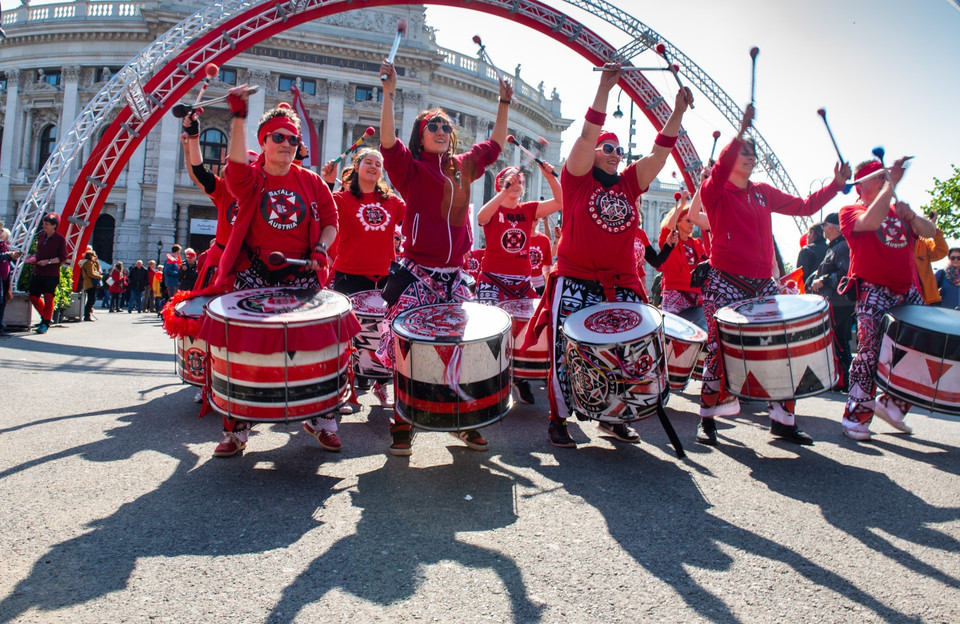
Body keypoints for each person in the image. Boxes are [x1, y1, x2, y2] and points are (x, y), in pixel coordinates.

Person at [530, 63, 692, 448]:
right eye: (609, 148)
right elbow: (586, 136)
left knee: (623, 356)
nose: (616, 154)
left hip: (620, 285)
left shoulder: (629, 184)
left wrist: (678, 112)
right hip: (574, 279)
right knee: (564, 352)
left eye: (620, 150)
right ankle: (558, 418)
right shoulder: (576, 179)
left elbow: (659, 153)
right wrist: (605, 89)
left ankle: (614, 416)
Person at [377, 57, 512, 456]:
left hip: (457, 278)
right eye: (431, 126)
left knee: (463, 350)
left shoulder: (464, 167)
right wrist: (388, 94)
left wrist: (503, 105)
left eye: (445, 126)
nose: (440, 130)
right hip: (419, 275)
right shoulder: (411, 169)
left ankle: (464, 422)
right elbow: (387, 142)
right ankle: (402, 423)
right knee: (410, 353)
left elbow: (497, 144)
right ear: (420, 137)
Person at [694, 104, 850, 447]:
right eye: (742, 152)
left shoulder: (763, 191)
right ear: (729, 157)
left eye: (752, 152)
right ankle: (707, 418)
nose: (750, 157)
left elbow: (806, 206)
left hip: (763, 283)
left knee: (782, 348)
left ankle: (782, 420)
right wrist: (739, 133)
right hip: (724, 280)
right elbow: (717, 172)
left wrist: (836, 185)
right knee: (719, 348)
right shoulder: (714, 191)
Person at [208, 88, 343, 458]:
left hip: (301, 276)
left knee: (320, 346)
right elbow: (234, 167)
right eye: (278, 137)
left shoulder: (313, 182)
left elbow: (331, 223)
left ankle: (321, 419)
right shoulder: (250, 179)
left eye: (292, 139)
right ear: (264, 142)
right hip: (254, 275)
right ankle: (237, 429)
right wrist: (238, 116)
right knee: (245, 349)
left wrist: (320, 248)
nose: (286, 144)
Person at [839, 158, 937, 441]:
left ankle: (892, 404)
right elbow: (870, 221)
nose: (886, 182)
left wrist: (913, 218)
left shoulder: (898, 210)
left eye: (887, 178)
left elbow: (929, 233)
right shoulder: (851, 209)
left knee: (929, 348)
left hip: (907, 292)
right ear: (862, 185)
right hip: (872, 290)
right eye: (880, 178)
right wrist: (891, 186)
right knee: (869, 353)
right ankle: (855, 417)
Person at [320, 148, 406, 407]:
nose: (373, 166)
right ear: (356, 166)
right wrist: (326, 180)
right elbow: (320, 210)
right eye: (368, 162)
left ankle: (382, 385)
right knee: (346, 337)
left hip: (386, 278)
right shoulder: (341, 198)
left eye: (378, 163)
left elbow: (415, 216)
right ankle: (345, 390)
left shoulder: (392, 201)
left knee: (386, 335)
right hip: (350, 276)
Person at [476, 163, 562, 405]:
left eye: (520, 182)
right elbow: (482, 217)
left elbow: (561, 201)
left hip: (521, 283)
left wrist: (550, 176)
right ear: (500, 185)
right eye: (510, 181)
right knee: (489, 333)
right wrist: (504, 191)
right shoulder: (494, 210)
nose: (517, 185)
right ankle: (489, 383)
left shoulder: (529, 210)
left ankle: (519, 378)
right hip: (493, 279)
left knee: (522, 333)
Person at [181, 112, 242, 289]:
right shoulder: (224, 190)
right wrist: (191, 141)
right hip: (222, 263)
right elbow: (198, 173)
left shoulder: (261, 191)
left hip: (249, 263)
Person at [806, 212, 854, 391]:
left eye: (824, 225)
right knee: (837, 340)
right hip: (837, 301)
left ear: (831, 227)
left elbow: (845, 274)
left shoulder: (842, 246)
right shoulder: (836, 246)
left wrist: (824, 280)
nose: (823, 229)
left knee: (838, 340)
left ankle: (844, 380)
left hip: (839, 302)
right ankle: (840, 379)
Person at [658, 190, 707, 314]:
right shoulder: (670, 240)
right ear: (677, 223)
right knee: (673, 331)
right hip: (675, 293)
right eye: (688, 220)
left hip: (696, 295)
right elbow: (668, 227)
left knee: (698, 331)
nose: (692, 224)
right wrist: (682, 204)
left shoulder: (696, 243)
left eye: (692, 221)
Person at [27, 213, 68, 334]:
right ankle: (46, 317)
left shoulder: (60, 239)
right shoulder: (41, 236)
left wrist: (48, 262)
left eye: (46, 224)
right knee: (33, 296)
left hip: (51, 273)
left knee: (49, 297)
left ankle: (45, 322)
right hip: (38, 270)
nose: (44, 226)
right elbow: (39, 253)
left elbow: (62, 257)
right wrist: (32, 257)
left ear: (54, 225)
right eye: (43, 224)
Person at [914, 210, 948, 305]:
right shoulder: (896, 243)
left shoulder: (924, 243)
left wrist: (933, 229)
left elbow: (941, 251)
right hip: (904, 297)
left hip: (927, 300)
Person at [0, 227, 23, 336]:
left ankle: (0, 326)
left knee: (3, 301)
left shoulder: (4, 246)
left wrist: (11, 256)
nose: (2, 236)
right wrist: (9, 255)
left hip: (4, 277)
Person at [528, 219, 553, 296]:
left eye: (536, 216)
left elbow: (546, 268)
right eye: (531, 215)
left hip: (539, 287)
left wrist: (550, 289)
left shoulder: (545, 240)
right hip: (521, 286)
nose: (534, 218)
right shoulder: (517, 238)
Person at [80, 250, 102, 321]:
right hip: (90, 283)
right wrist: (99, 277)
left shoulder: (90, 263)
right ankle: (87, 315)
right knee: (91, 299)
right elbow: (91, 274)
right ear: (90, 256)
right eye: (94, 256)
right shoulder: (88, 263)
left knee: (91, 299)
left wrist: (96, 262)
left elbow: (98, 270)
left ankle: (87, 314)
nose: (95, 257)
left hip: (89, 283)